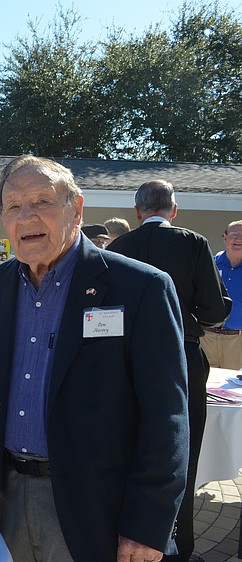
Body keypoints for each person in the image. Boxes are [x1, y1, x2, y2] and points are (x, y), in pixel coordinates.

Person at [0, 155, 189, 562]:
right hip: (8, 495)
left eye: (42, 201)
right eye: (13, 206)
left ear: (76, 209)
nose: (26, 217)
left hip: (96, 509)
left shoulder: (139, 288)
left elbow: (166, 416)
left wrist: (148, 523)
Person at [108, 180, 230, 562]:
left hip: (123, 362)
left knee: (125, 446)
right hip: (181, 358)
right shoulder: (193, 243)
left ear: (137, 212)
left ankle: (122, 533)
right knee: (180, 452)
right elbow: (212, 311)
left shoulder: (118, 248)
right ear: (173, 210)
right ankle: (177, 543)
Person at [202, 220, 242, 370]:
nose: (238, 239)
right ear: (225, 238)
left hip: (237, 341)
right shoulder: (209, 265)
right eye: (234, 235)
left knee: (235, 390)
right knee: (207, 385)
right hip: (208, 337)